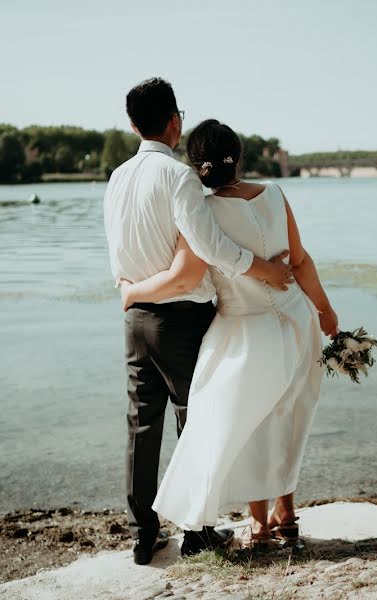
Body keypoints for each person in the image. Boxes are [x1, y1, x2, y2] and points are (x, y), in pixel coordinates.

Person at [120, 118, 338, 550]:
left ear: (195, 165)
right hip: (295, 319)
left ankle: (258, 523)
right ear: (237, 156)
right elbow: (300, 260)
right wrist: (325, 308)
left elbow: (191, 273)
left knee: (250, 424)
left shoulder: (201, 211)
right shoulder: (275, 193)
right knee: (289, 414)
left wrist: (134, 291)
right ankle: (288, 513)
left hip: (243, 328)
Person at [103, 78, 295, 565]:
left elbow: (118, 256)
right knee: (198, 420)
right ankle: (197, 531)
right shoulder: (178, 176)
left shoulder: (118, 177)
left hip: (135, 319)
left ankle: (143, 535)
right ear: (175, 121)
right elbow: (208, 248)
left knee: (141, 427)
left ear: (132, 125)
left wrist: (132, 292)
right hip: (182, 319)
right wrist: (262, 268)